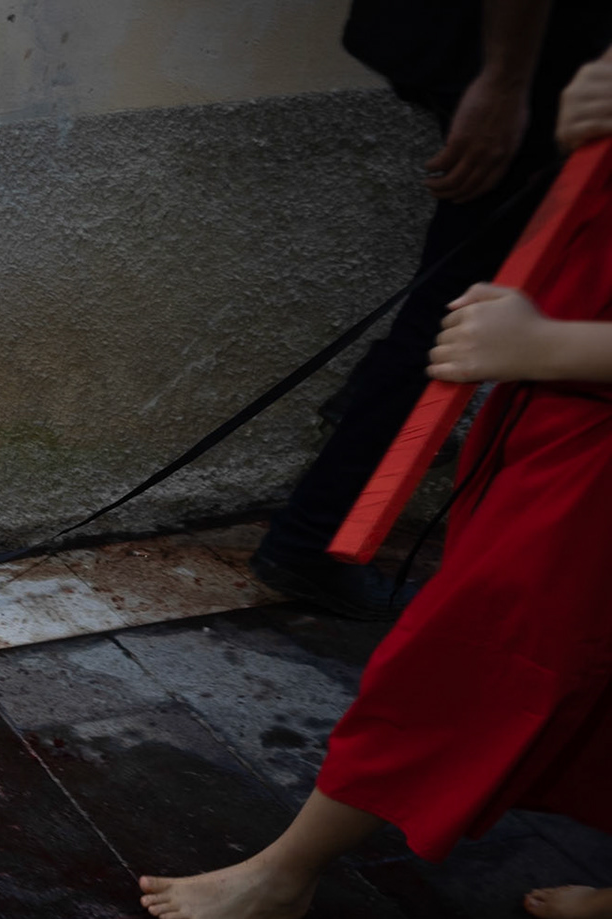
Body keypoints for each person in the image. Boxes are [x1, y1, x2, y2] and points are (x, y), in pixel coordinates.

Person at [140, 48, 612, 919]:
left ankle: (286, 872)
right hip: (559, 401)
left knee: (472, 648)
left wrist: (555, 348)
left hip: (587, 426)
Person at [250, 0, 612, 619]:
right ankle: (319, 529)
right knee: (449, 319)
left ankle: (337, 486)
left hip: (527, 66)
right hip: (527, 70)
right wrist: (503, 82)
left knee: (455, 309)